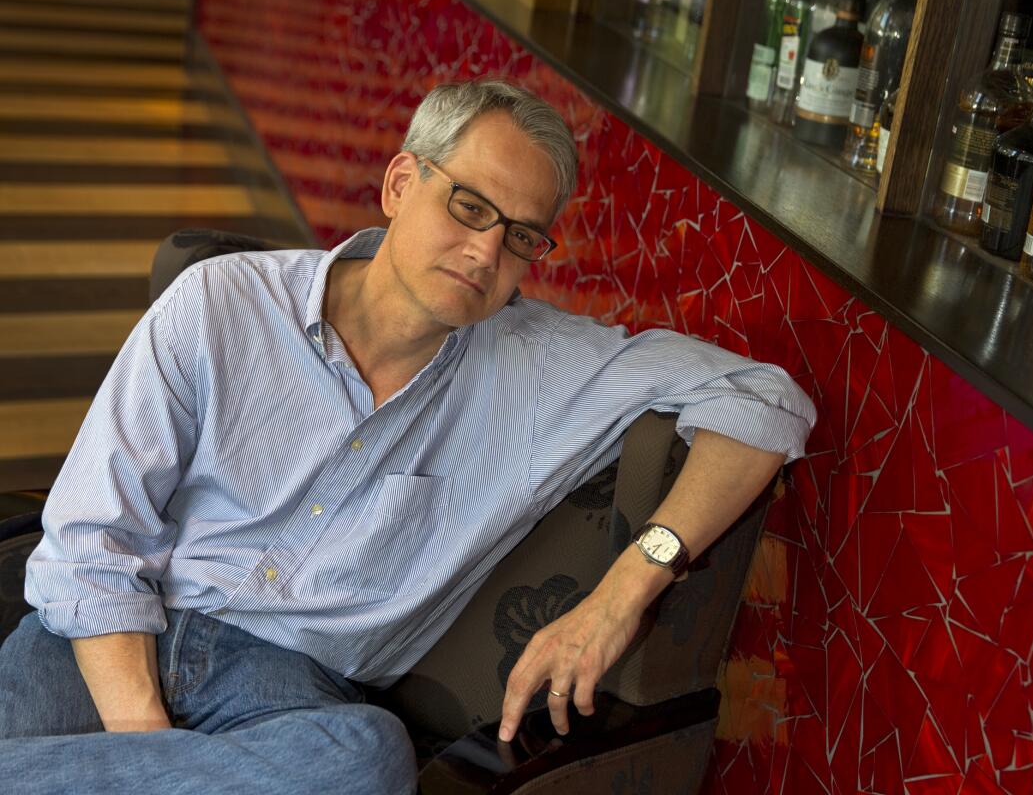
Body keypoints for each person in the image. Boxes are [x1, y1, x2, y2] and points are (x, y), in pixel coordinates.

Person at [0, 80, 815, 793]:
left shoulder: (543, 372)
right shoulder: (220, 303)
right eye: (469, 206)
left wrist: (624, 591)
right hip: (111, 639)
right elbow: (90, 541)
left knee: (363, 760)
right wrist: (153, 757)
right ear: (399, 182)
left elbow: (763, 400)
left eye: (522, 235)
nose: (487, 249)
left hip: (286, 698)